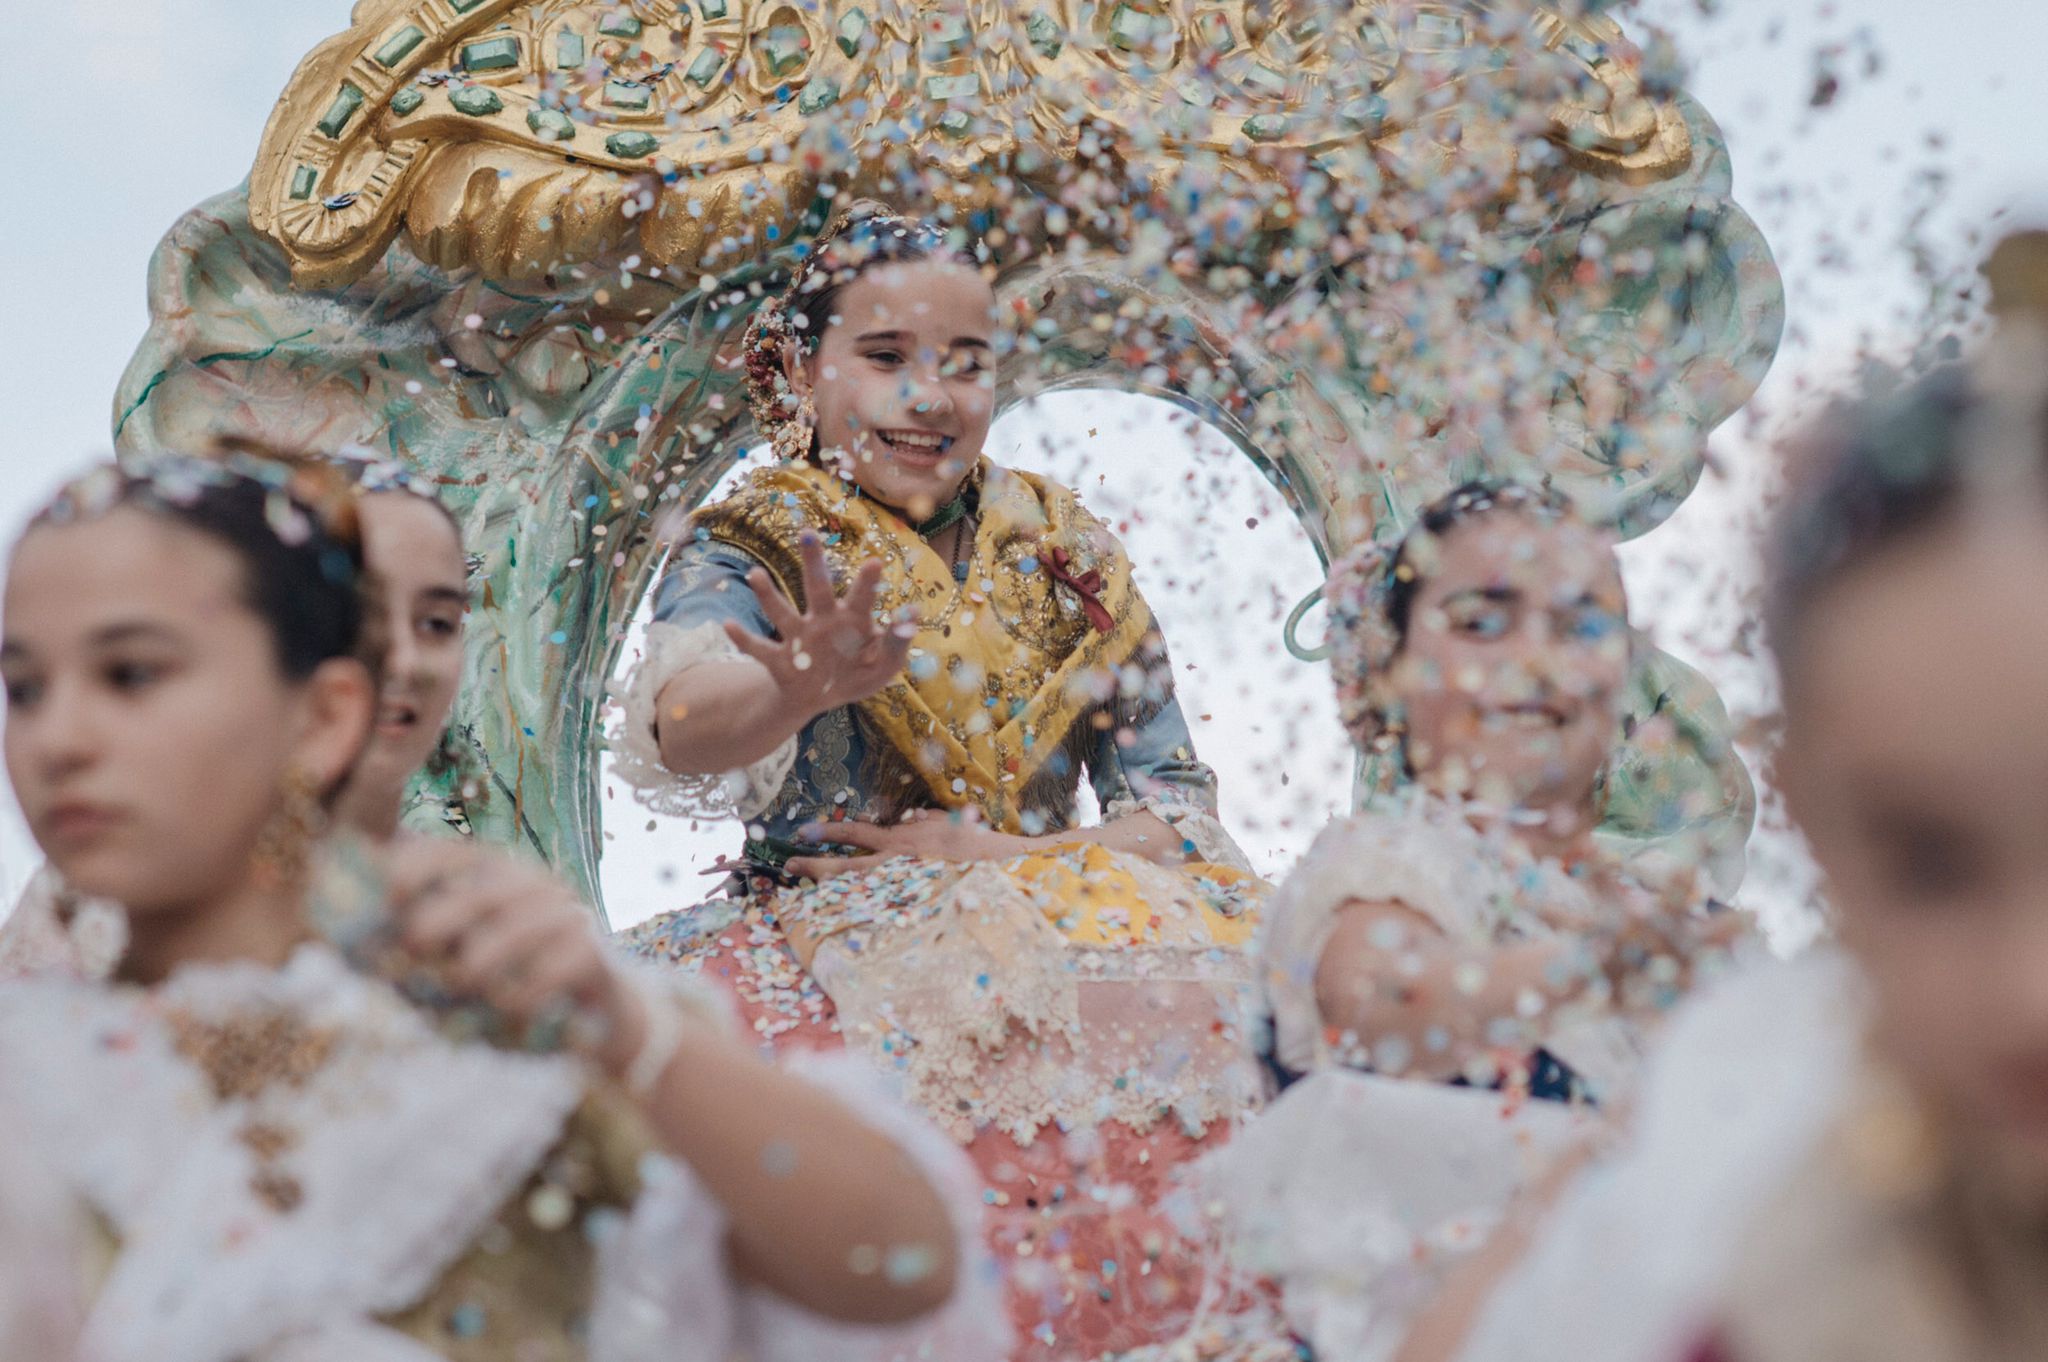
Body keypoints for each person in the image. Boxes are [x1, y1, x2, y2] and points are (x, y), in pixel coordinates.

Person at [0, 455, 1005, 1362]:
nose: (61, 738)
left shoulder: (512, 990)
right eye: (23, 686)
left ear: (321, 710)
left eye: (131, 674)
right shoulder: (39, 1057)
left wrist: (631, 1036)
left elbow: (903, 1268)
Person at [612, 203, 1277, 1357]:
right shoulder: (761, 542)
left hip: (1071, 916)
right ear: (799, 375)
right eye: (884, 359)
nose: (931, 398)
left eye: (962, 365)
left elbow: (1172, 811)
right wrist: (796, 688)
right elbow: (681, 722)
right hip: (823, 939)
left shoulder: (1065, 546)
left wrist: (1005, 861)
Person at [1405, 260, 2048, 1362]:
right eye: (1927, 864)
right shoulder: (1735, 1146)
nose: (2028, 993)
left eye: (1577, 623)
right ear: (1808, 816)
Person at [1198, 481, 1739, 1361]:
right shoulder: (1388, 864)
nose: (1534, 659)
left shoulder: (1661, 905)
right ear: (1392, 666)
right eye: (1484, 621)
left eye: (1579, 624)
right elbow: (1388, 1000)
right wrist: (1601, 969)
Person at [1, 449, 474, 977]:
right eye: (23, 690)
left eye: (437, 622)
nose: (400, 662)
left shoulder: (506, 948)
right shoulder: (74, 927)